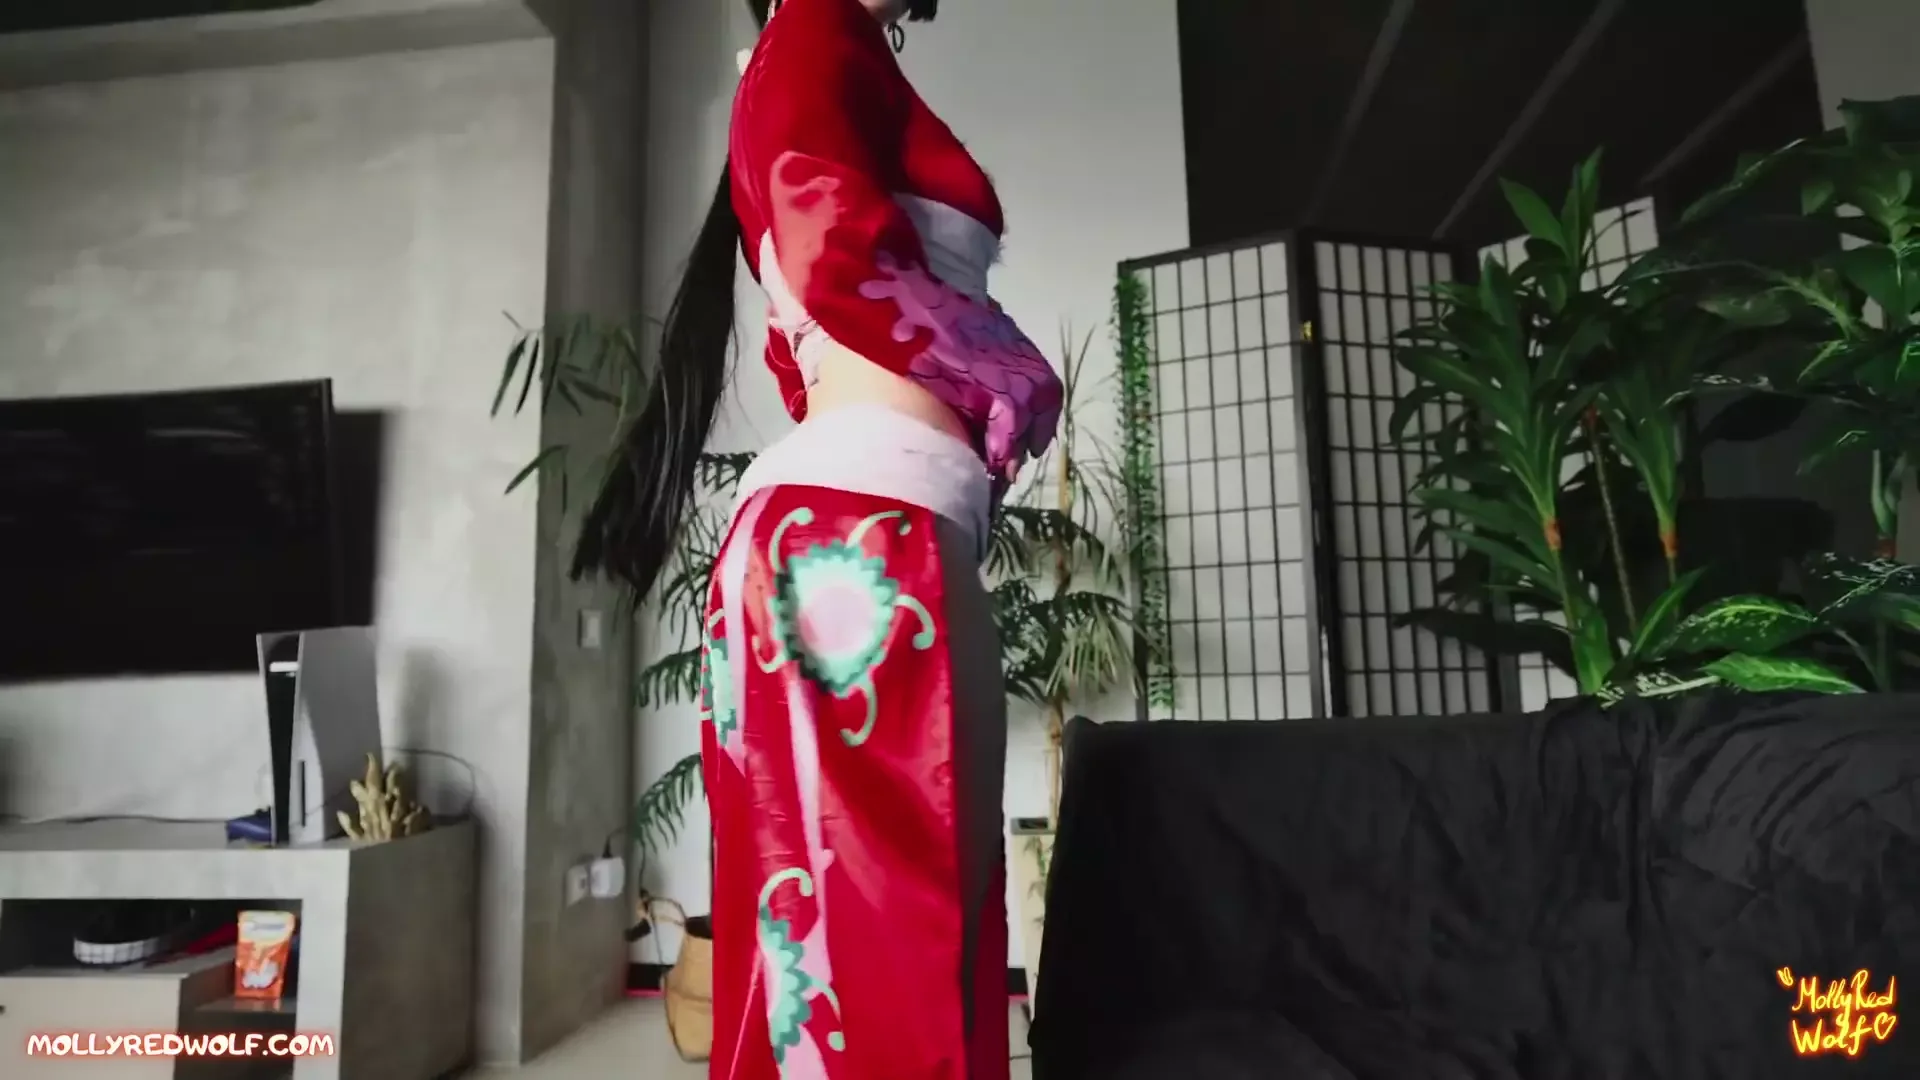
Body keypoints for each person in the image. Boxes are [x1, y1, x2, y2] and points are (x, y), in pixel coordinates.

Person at [569, 0, 1063, 1077]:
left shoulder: (821, 46)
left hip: (872, 521)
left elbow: (815, 315)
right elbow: (830, 244)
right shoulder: (811, 30)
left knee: (889, 942)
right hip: (860, 533)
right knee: (887, 951)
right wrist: (1000, 360)